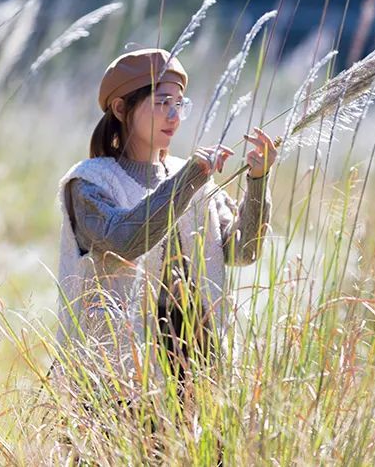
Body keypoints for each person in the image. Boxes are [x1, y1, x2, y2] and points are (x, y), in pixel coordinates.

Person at [53, 47, 276, 400]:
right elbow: (124, 240)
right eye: (161, 103)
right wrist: (189, 180)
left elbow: (242, 250)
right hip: (119, 374)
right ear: (121, 108)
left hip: (198, 361)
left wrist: (258, 180)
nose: (174, 115)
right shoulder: (90, 183)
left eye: (180, 103)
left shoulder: (189, 175)